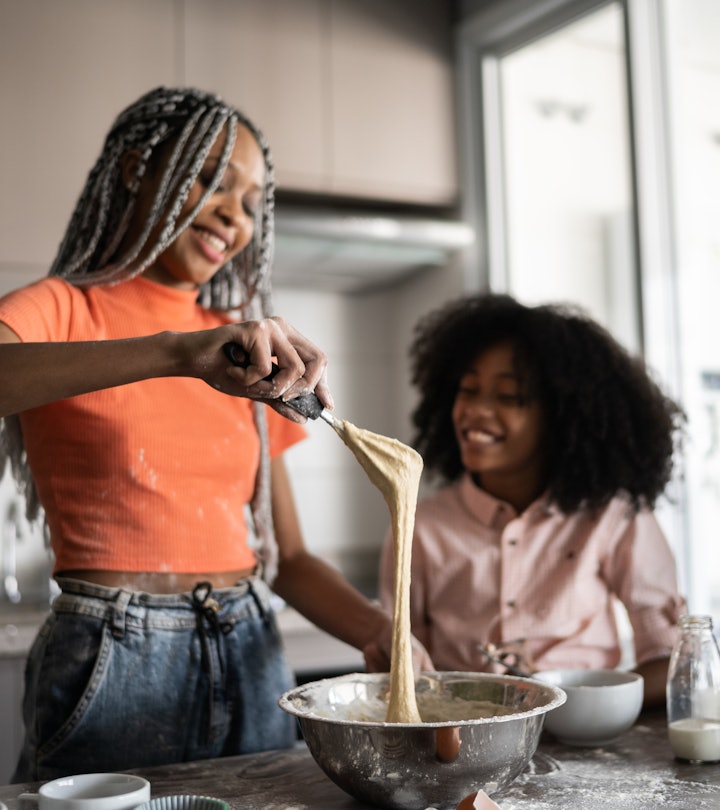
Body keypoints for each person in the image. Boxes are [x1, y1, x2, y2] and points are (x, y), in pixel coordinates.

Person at [0, 86, 431, 782]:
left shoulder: (242, 350)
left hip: (248, 643)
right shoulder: (62, 308)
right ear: (138, 171)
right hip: (113, 655)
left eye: (251, 201)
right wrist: (177, 353)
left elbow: (287, 558)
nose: (235, 216)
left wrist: (379, 630)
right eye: (211, 182)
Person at [379, 292, 687, 708]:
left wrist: (581, 699)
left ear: (562, 416)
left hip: (590, 744)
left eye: (508, 397)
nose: (475, 411)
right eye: (468, 390)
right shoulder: (419, 524)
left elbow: (671, 659)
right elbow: (399, 660)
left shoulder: (613, 516)